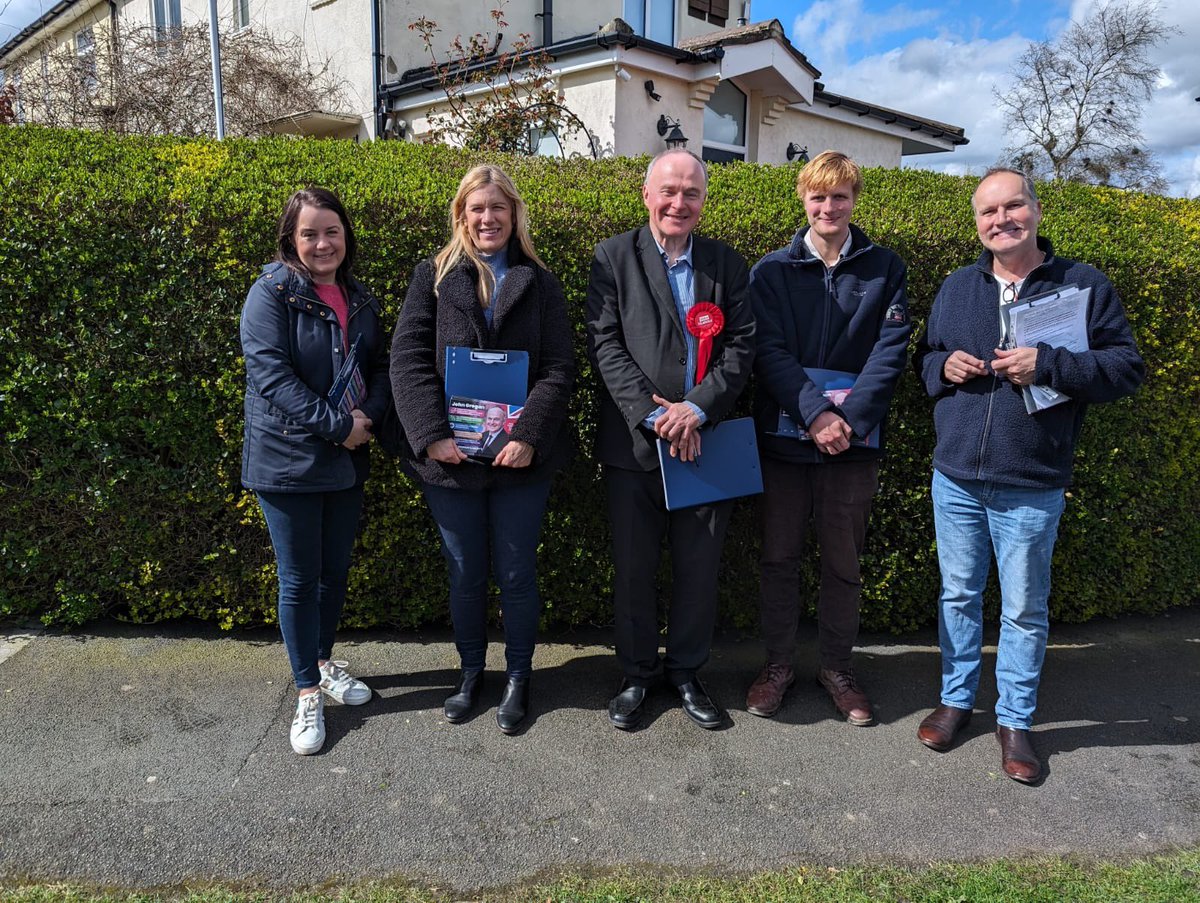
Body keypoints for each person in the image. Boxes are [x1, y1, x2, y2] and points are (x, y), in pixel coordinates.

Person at [912, 167, 1144, 783]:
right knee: (957, 595)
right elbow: (924, 357)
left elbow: (1125, 369)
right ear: (977, 223)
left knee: (1022, 609)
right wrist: (944, 368)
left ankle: (1015, 719)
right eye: (988, 212)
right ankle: (958, 700)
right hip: (957, 474)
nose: (1001, 220)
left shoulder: (1081, 284)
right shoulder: (958, 286)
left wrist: (1051, 364)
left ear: (1036, 211)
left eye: (1012, 207)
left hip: (1033, 478)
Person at [391, 164, 575, 735]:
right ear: (460, 216)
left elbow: (560, 369)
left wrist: (527, 437)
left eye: (498, 207)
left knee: (517, 572)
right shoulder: (432, 277)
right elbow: (408, 360)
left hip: (520, 461)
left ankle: (519, 676)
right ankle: (471, 674)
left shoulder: (540, 283)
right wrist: (431, 436)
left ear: (514, 214)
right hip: (451, 458)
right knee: (465, 571)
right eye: (476, 208)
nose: (488, 218)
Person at [586, 149, 755, 731]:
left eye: (691, 193)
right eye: (669, 191)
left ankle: (686, 672)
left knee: (698, 567)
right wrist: (653, 415)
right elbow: (604, 342)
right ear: (647, 195)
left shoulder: (727, 264)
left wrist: (697, 408)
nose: (679, 203)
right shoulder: (613, 257)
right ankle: (636, 675)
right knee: (633, 568)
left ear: (703, 201)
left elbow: (741, 347)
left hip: (702, 443)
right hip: (637, 445)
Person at [747, 151, 910, 725]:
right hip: (785, 444)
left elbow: (890, 353)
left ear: (854, 200)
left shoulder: (885, 268)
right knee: (779, 560)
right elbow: (765, 351)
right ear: (802, 197)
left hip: (853, 447)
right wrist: (816, 414)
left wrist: (848, 420)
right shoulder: (770, 270)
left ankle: (838, 668)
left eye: (839, 196)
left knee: (844, 564)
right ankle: (777, 667)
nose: (828, 206)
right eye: (818, 196)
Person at [240, 187, 390, 756]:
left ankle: (323, 663)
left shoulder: (360, 297)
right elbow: (271, 379)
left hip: (346, 456)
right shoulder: (270, 295)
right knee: (299, 578)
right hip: (288, 461)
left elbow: (380, 368)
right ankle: (306, 691)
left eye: (331, 231)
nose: (322, 243)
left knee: (333, 573)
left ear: (345, 236)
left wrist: (369, 418)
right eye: (310, 233)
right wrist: (339, 425)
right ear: (291, 239)